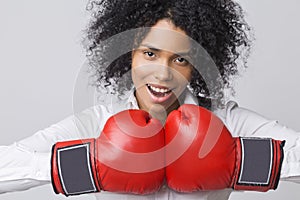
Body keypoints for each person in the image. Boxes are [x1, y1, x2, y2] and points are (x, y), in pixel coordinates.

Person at [0, 0, 299, 199]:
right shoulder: (96, 123)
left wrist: (241, 161)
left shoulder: (226, 122)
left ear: (195, 64)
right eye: (150, 53)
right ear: (130, 51)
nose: (163, 74)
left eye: (180, 59)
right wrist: (89, 165)